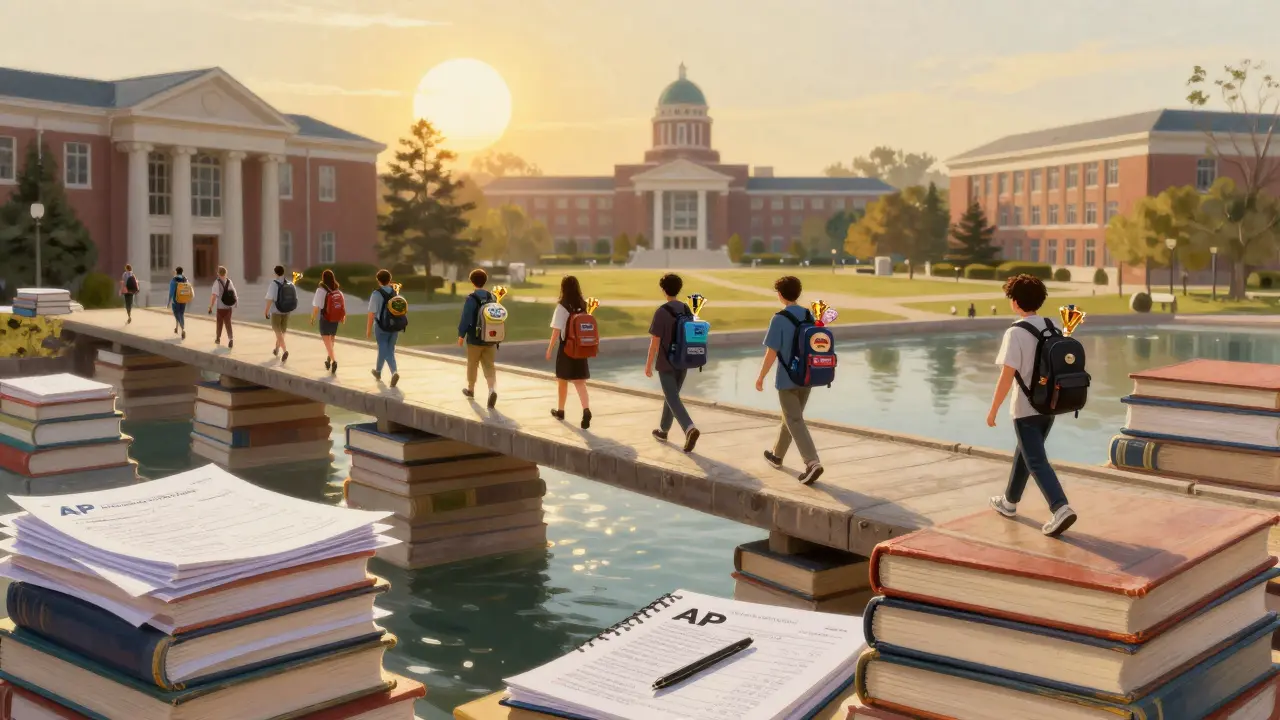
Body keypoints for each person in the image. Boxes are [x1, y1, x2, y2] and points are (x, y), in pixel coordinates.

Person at [987, 274, 1077, 538]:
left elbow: (1006, 376)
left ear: (1015, 303)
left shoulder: (1015, 332)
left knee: (1035, 460)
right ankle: (1009, 502)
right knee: (1025, 454)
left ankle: (1060, 507)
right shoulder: (1052, 326)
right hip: (1049, 406)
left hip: (1025, 409)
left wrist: (993, 409)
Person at [755, 275, 823, 485]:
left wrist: (761, 376)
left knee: (794, 419)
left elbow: (771, 353)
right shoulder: (808, 315)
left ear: (781, 295)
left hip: (787, 379)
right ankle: (777, 455)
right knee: (791, 417)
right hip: (808, 376)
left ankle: (812, 463)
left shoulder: (779, 318)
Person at [644, 273, 699, 452]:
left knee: (672, 397)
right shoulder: (686, 309)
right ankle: (663, 430)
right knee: (671, 396)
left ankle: (689, 428)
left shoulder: (661, 312)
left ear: (663, 289)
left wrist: (648, 364)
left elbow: (655, 342)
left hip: (666, 362)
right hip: (683, 360)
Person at [546, 275, 591, 429]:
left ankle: (561, 411)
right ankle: (586, 409)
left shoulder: (562, 306)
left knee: (562, 381)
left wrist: (550, 349)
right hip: (581, 348)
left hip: (566, 348)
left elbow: (556, 332)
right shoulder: (582, 304)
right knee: (580, 382)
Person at [457, 268, 499, 409]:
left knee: (472, 364)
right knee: (489, 366)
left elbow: (466, 318)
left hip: (475, 339)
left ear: (472, 282)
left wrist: (461, 335)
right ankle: (492, 390)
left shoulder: (471, 298)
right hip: (490, 338)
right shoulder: (492, 297)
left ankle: (471, 389)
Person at [366, 269, 401, 387]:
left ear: (378, 280)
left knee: (385, 349)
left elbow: (371, 313)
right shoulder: (394, 292)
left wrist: (368, 329)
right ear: (389, 280)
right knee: (387, 349)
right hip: (395, 325)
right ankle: (378, 371)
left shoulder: (376, 294)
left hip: (381, 327)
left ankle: (394, 372)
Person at [309, 268, 345, 374]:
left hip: (325, 318)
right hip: (335, 318)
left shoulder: (321, 290)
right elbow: (341, 305)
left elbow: (316, 307)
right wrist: (343, 316)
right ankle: (329, 359)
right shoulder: (337, 290)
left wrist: (312, 318)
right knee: (331, 340)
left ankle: (334, 361)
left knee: (327, 342)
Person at [264, 265, 292, 363]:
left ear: (275, 273)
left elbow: (270, 299)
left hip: (276, 311)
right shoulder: (289, 283)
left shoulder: (274, 284)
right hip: (286, 310)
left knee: (277, 331)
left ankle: (285, 351)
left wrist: (266, 311)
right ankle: (276, 349)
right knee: (282, 332)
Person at [207, 266, 237, 348]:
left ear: (218, 273)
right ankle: (231, 339)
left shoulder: (217, 282)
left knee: (219, 323)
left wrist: (210, 307)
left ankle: (218, 338)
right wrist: (234, 305)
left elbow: (214, 296)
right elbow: (234, 293)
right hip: (228, 307)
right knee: (228, 323)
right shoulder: (229, 281)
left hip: (220, 307)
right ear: (226, 273)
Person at [166, 267, 188, 340]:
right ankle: (177, 328)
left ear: (176, 272)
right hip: (184, 299)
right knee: (181, 314)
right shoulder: (185, 279)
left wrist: (168, 302)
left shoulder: (174, 280)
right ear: (182, 272)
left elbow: (171, 292)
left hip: (176, 300)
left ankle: (183, 329)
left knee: (177, 314)